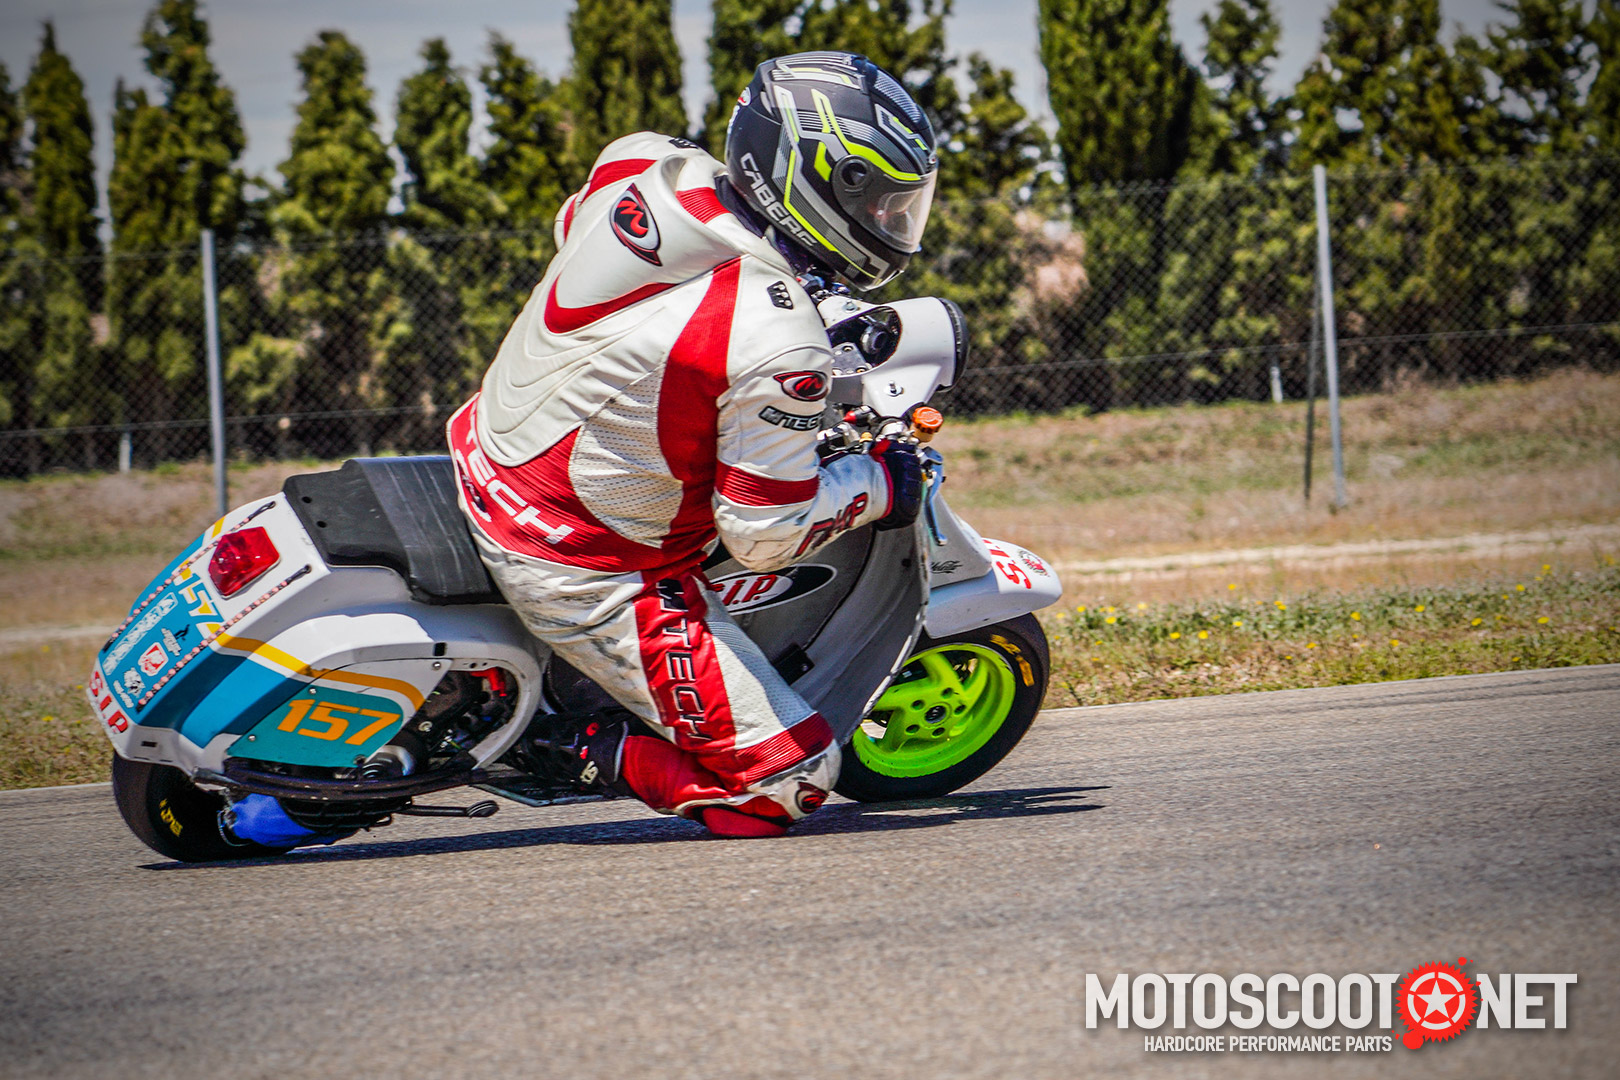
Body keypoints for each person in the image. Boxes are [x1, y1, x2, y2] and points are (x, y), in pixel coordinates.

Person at [447, 51, 939, 838]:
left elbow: (573, 226)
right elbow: (764, 536)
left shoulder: (646, 161)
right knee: (791, 785)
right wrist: (880, 483)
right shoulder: (780, 343)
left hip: (486, 445)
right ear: (819, 183)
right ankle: (576, 748)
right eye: (881, 202)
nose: (892, 223)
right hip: (585, 563)